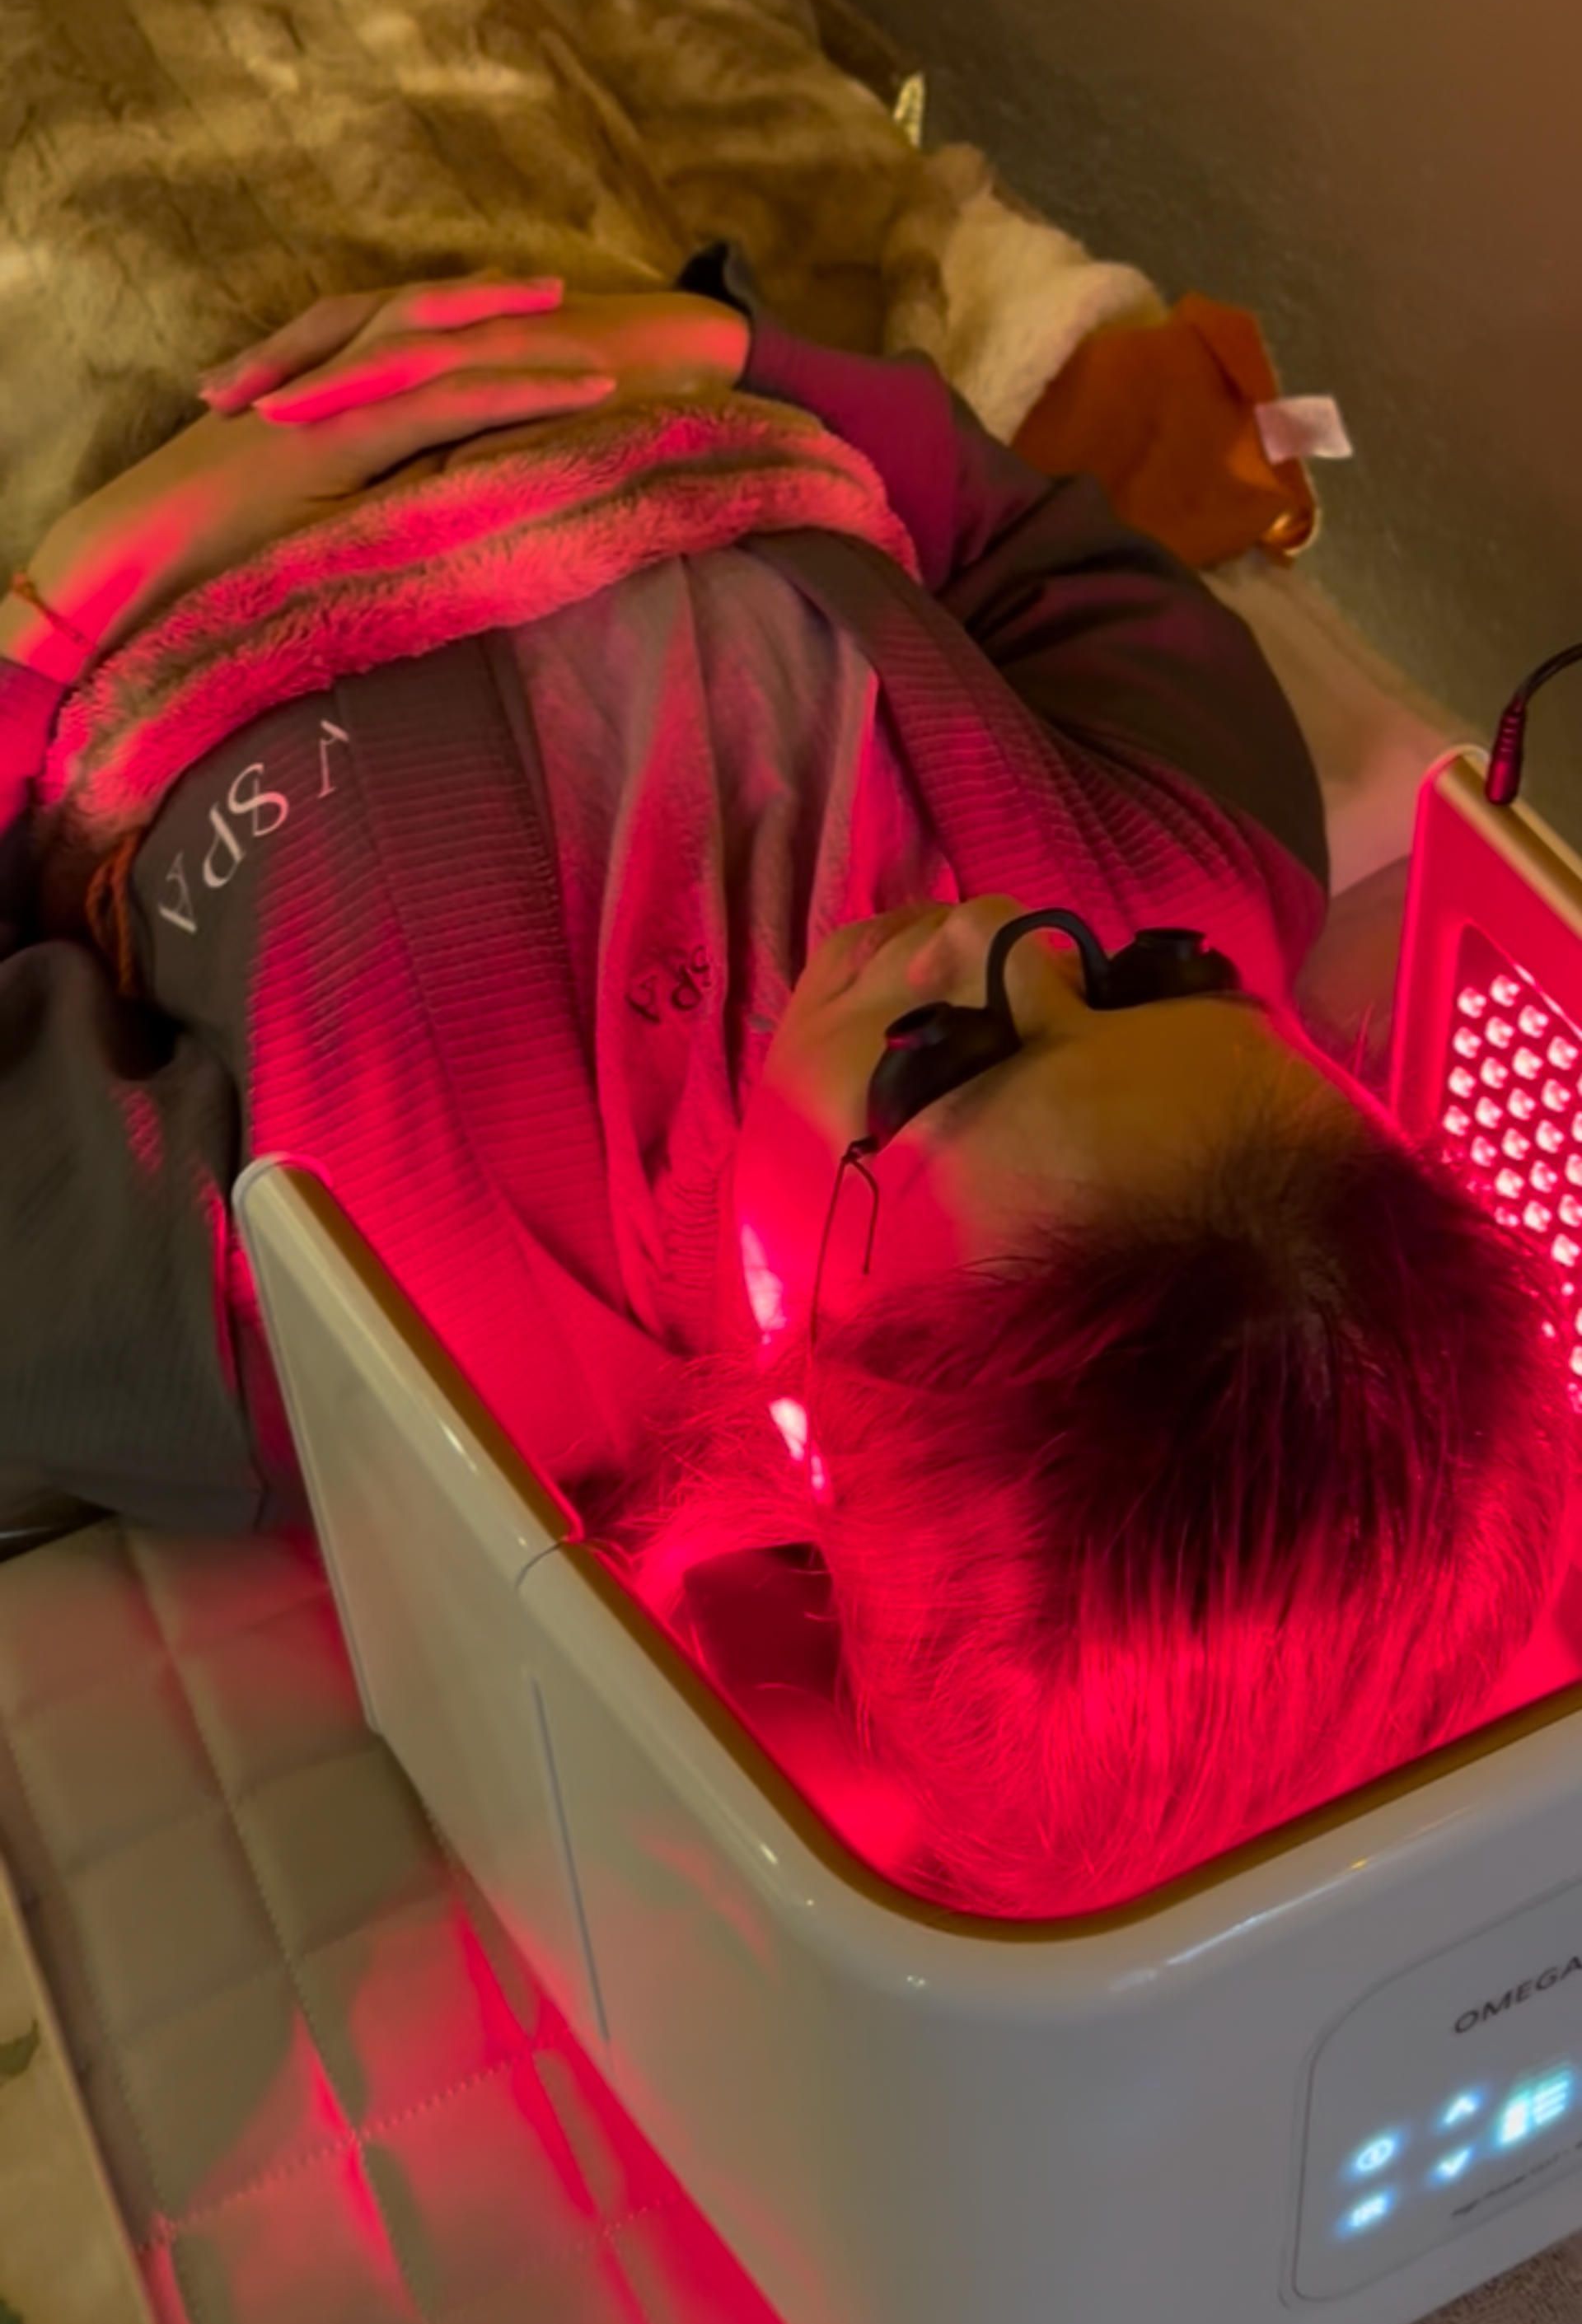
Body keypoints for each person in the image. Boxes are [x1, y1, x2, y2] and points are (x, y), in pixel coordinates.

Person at [1, 253, 1574, 1912]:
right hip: (600, 318)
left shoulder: (313, 1301)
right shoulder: (1194, 854)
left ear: (816, 1429)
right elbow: (1018, 529)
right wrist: (707, 342)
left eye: (944, 1062)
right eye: (1145, 981)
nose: (1000, 937)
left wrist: (80, 595)